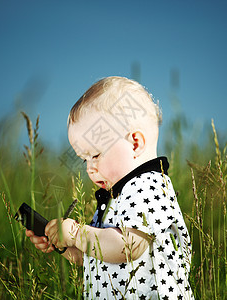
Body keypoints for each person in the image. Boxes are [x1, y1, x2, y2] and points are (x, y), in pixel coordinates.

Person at [26, 76, 194, 299]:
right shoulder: (117, 195)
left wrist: (76, 232)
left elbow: (128, 246)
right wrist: (66, 245)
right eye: (84, 160)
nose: (90, 169)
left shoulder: (148, 185)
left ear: (135, 143)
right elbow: (99, 254)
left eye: (95, 155)